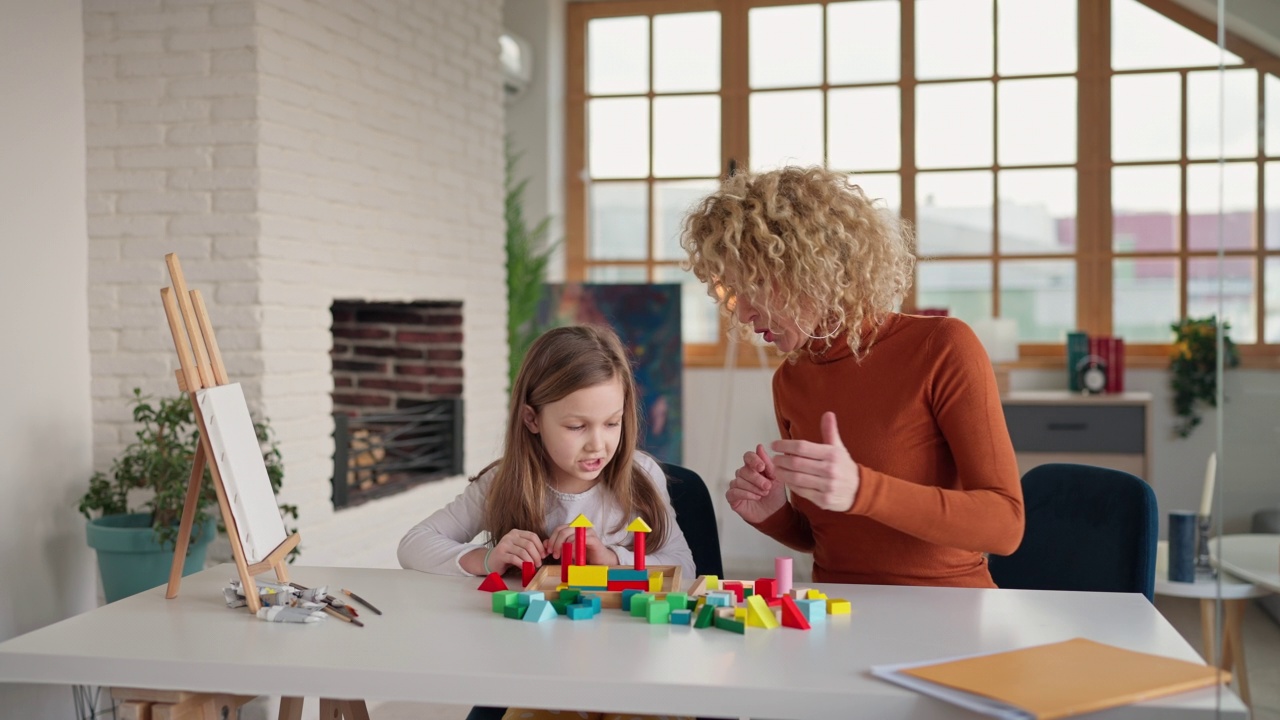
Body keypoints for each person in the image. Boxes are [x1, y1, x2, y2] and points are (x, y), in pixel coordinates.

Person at [680, 165, 1024, 588]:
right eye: (731, 292)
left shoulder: (941, 346)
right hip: (837, 610)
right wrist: (775, 515)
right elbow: (827, 538)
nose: (743, 313)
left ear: (812, 270)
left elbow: (1005, 527)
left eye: (755, 287)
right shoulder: (791, 380)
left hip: (948, 608)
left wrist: (864, 487)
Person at [399, 325, 695, 720]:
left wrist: (611, 559)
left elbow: (686, 568)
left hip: (636, 669)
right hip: (538, 674)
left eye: (612, 423)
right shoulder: (501, 484)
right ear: (532, 419)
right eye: (576, 427)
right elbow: (414, 543)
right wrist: (485, 560)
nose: (598, 444)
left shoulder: (642, 476)